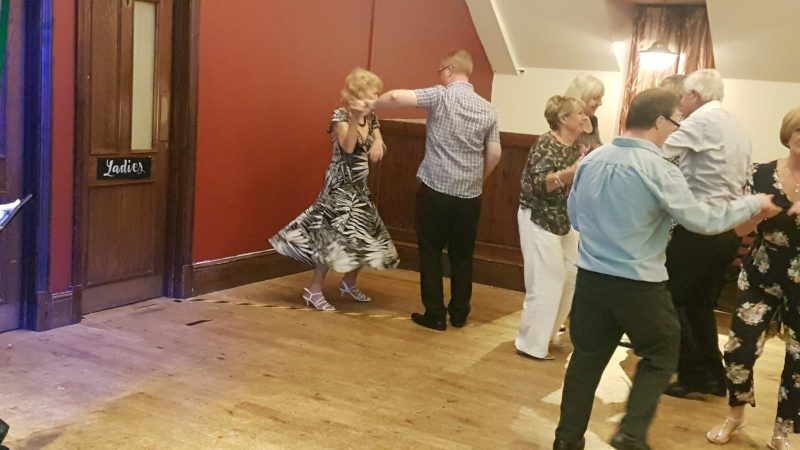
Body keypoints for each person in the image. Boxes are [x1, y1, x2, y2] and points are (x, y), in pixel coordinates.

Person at [553, 88, 781, 450]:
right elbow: (702, 220)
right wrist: (754, 202)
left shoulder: (592, 160)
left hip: (592, 283)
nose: (676, 130)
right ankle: (630, 433)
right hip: (638, 286)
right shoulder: (659, 169)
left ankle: (566, 441)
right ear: (659, 121)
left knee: (585, 363)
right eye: (676, 122)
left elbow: (575, 218)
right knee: (662, 353)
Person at [353, 49, 502, 331]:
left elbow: (397, 97)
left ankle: (434, 314)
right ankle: (460, 313)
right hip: (469, 197)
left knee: (431, 252)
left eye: (439, 71)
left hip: (436, 190)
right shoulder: (488, 108)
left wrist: (372, 105)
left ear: (448, 69)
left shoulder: (440, 95)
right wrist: (479, 180)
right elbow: (494, 153)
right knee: (462, 255)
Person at [706, 107, 800, 450]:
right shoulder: (760, 174)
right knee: (739, 349)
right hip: (761, 273)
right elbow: (738, 228)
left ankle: (782, 432)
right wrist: (757, 215)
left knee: (798, 360)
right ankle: (735, 416)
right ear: (788, 134)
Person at [269, 68, 399, 311]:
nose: (376, 97)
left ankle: (348, 282)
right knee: (331, 238)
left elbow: (377, 137)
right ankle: (314, 290)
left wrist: (379, 141)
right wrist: (353, 118)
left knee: (366, 235)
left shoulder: (371, 117)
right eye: (373, 92)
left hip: (359, 188)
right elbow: (348, 147)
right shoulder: (341, 115)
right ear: (359, 93)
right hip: (340, 186)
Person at [661, 69, 753, 399]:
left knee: (670, 296)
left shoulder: (701, 121)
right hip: (725, 231)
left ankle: (691, 375)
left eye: (683, 96)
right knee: (698, 304)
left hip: (700, 228)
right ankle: (712, 377)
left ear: (696, 96)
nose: (681, 102)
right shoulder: (736, 125)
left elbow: (661, 151)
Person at [515, 95, 587, 360]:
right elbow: (538, 185)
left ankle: (548, 333)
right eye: (579, 113)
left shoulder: (576, 145)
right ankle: (530, 343)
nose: (584, 117)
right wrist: (571, 172)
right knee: (547, 281)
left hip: (565, 220)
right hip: (539, 218)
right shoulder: (545, 143)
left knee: (570, 276)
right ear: (563, 119)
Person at [564, 74, 605, 152]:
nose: (600, 103)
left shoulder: (593, 120)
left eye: (600, 98)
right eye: (596, 98)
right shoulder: (566, 122)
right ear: (581, 97)